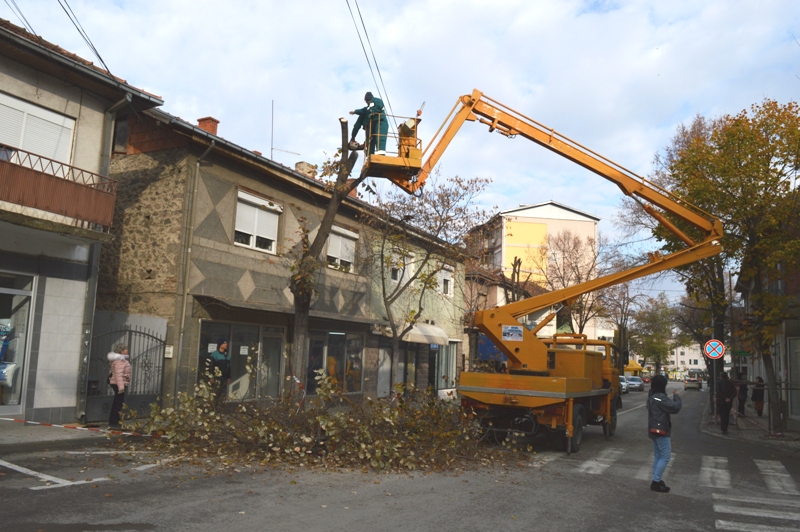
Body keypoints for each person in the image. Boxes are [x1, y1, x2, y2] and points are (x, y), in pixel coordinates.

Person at [647, 375, 682, 493]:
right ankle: (656, 482)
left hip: (653, 428)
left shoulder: (651, 396)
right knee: (666, 457)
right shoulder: (659, 397)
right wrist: (676, 396)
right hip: (661, 429)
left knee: (658, 456)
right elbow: (675, 408)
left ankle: (656, 479)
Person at [107, 343, 131, 430]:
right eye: (125, 349)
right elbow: (118, 374)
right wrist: (121, 387)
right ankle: (114, 422)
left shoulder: (121, 360)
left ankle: (115, 421)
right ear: (121, 351)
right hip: (119, 384)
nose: (127, 350)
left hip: (119, 383)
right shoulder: (120, 361)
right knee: (118, 403)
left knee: (117, 403)